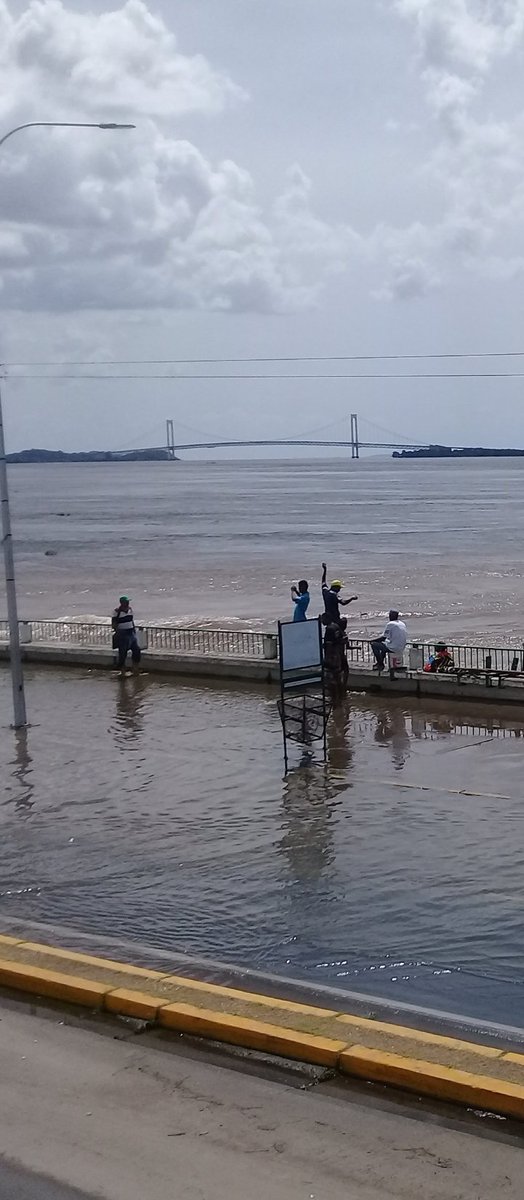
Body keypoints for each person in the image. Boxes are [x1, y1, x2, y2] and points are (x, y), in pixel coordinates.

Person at [111, 595, 141, 673]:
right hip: (122, 633)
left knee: (136, 650)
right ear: (122, 603)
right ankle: (123, 671)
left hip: (131, 632)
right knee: (123, 653)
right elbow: (113, 623)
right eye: (126, 602)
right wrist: (118, 631)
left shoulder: (130, 610)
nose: (128, 603)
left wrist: (134, 629)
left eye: (128, 602)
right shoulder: (117, 611)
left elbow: (131, 621)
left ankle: (135, 668)